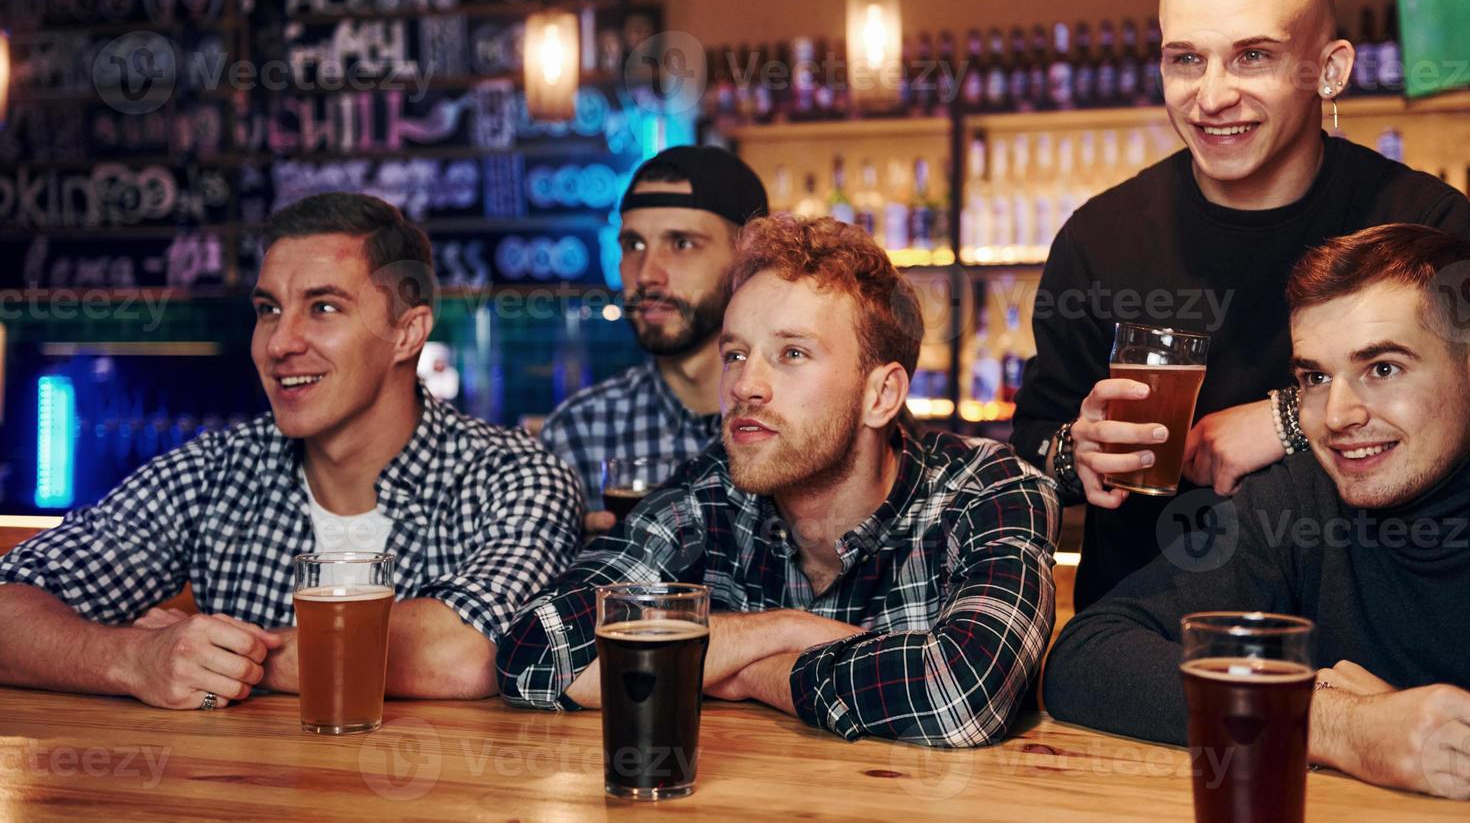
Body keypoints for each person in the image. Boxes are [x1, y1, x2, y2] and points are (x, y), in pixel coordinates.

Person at [1013, 0, 1470, 612]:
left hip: (1366, 643)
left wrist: (1289, 418)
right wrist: (1077, 454)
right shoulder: (1099, 237)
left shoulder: (1426, 226)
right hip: (1142, 647)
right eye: (1185, 59)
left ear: (1331, 70)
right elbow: (1035, 441)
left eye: (1253, 56)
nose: (1212, 95)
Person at [0, 194, 581, 710]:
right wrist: (134, 658)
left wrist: (231, 655)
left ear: (407, 334)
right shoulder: (213, 473)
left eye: (323, 307)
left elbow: (468, 651)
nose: (280, 343)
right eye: (268, 309)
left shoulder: (516, 476)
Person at [497, 216, 1059, 747]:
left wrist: (743, 675)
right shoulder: (708, 494)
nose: (746, 385)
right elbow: (532, 655)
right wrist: (784, 629)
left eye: (791, 353)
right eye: (736, 354)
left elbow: (959, 696)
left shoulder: (989, 488)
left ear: (881, 395)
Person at [1043, 224, 1470, 801]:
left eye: (1384, 368)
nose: (1338, 415)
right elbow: (1086, 658)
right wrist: (1342, 723)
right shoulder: (1299, 498)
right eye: (1316, 378)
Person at [541, 145, 768, 534]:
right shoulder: (577, 432)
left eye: (681, 244)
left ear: (748, 258)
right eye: (634, 245)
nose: (647, 274)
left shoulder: (804, 416)